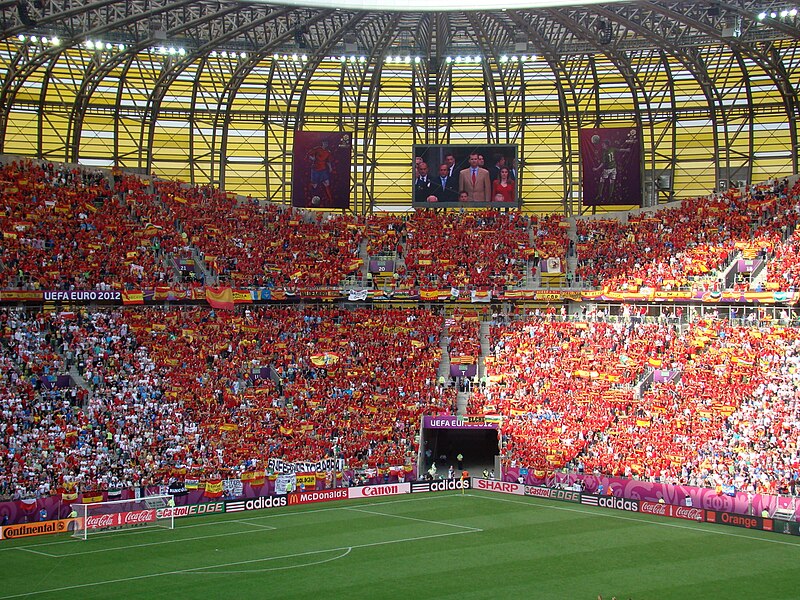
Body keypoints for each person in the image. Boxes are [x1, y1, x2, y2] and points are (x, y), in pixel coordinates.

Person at [308, 139, 334, 207]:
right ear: (322, 143)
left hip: (323, 170)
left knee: (327, 183)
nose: (325, 144)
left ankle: (330, 199)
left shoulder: (328, 152)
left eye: (327, 143)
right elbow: (309, 154)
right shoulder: (317, 149)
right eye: (324, 143)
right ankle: (312, 198)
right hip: (315, 169)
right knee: (314, 185)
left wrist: (330, 168)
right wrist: (312, 158)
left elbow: (328, 161)